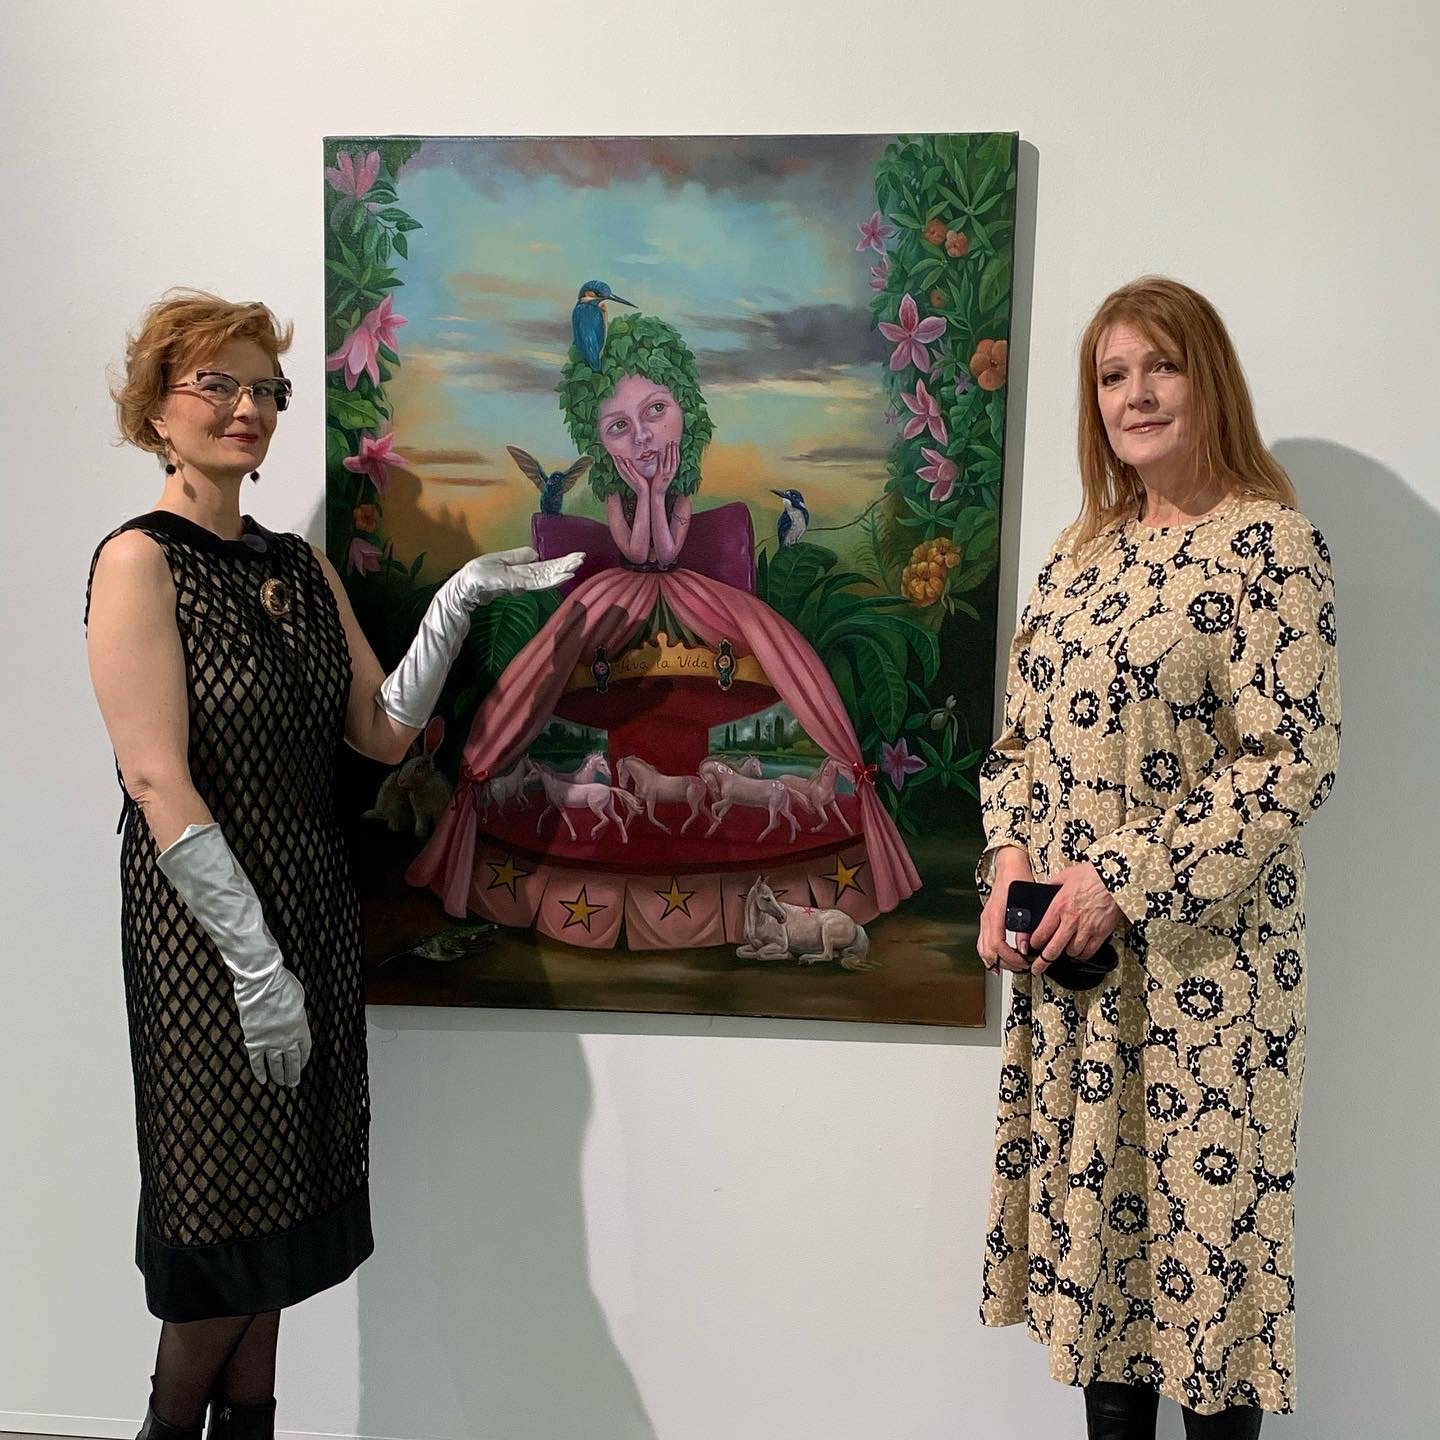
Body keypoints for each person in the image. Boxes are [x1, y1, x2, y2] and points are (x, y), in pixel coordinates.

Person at [86, 291, 580, 1440]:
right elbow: (156, 780)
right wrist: (255, 968)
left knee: (278, 1233)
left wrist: (458, 602)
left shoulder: (300, 567)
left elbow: (381, 730)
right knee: (218, 1239)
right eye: (217, 383)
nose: (246, 407)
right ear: (157, 408)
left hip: (310, 911)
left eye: (265, 388)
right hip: (208, 944)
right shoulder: (138, 563)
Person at [975, 277, 1340, 1438]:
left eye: (1160, 366)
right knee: (1106, 1299)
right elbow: (1017, 742)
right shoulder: (1078, 555)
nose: (1135, 394)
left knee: (1209, 1304)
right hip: (1078, 980)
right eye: (1112, 374)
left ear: (1207, 378)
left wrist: (1120, 880)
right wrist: (1008, 865)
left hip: (1209, 988)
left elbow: (1290, 758)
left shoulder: (1270, 546)